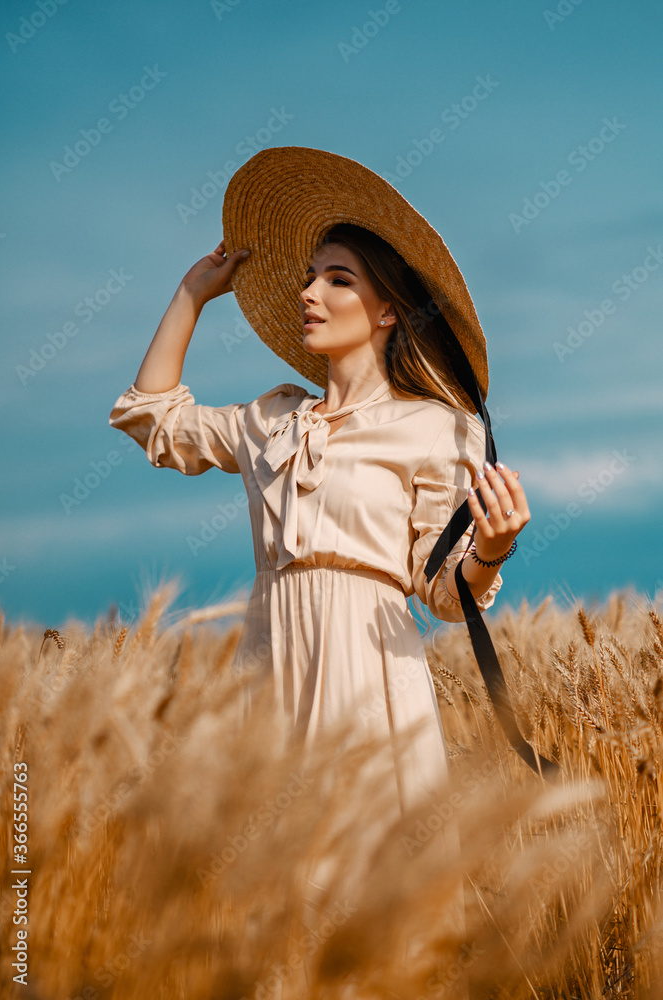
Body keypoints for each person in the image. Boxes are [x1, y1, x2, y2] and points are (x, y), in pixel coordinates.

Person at [108, 147, 531, 983]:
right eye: (308, 277)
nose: (309, 293)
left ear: (386, 309)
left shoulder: (437, 428)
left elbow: (442, 593)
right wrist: (192, 294)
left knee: (379, 903)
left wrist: (489, 551)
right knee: (271, 901)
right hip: (268, 667)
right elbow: (151, 418)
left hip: (373, 674)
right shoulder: (271, 420)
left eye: (337, 279)